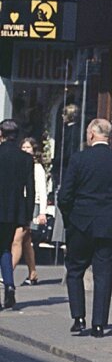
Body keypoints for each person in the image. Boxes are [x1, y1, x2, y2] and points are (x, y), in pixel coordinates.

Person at [57, 119, 112, 337]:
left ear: (91, 134)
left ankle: (79, 317)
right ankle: (99, 324)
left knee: (75, 270)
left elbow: (65, 196)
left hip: (81, 223)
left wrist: (70, 219)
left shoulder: (79, 159)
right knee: (104, 274)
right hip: (109, 225)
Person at [0, 118, 34, 311]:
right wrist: (27, 215)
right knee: (5, 248)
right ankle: (9, 285)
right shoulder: (25, 158)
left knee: (3, 249)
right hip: (14, 211)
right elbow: (30, 188)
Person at [12, 137, 49, 285]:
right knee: (26, 241)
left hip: (33, 204)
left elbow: (42, 190)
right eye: (23, 148)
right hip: (21, 204)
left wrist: (42, 211)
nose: (26, 150)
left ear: (34, 150)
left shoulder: (37, 167)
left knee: (17, 240)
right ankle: (32, 273)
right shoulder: (20, 165)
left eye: (28, 148)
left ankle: (7, 271)